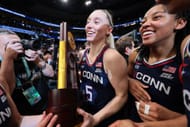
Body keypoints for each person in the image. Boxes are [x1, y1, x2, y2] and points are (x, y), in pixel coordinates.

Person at [109, 3, 190, 127]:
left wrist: (172, 117)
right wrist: (129, 82)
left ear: (179, 23)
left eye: (156, 17)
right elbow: (123, 78)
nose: (145, 25)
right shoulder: (135, 56)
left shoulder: (183, 58)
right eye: (143, 22)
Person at [77, 9, 129, 127]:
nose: (89, 26)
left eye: (96, 22)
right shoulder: (82, 55)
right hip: (85, 116)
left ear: (108, 30)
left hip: (105, 121)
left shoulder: (111, 57)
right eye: (88, 22)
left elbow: (121, 96)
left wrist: (95, 119)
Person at [0, 29, 60, 127]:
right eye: (11, 44)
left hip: (42, 107)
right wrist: (8, 57)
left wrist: (38, 61)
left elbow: (51, 73)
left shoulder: (27, 57)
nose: (17, 47)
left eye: (18, 43)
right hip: (23, 115)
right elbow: (6, 89)